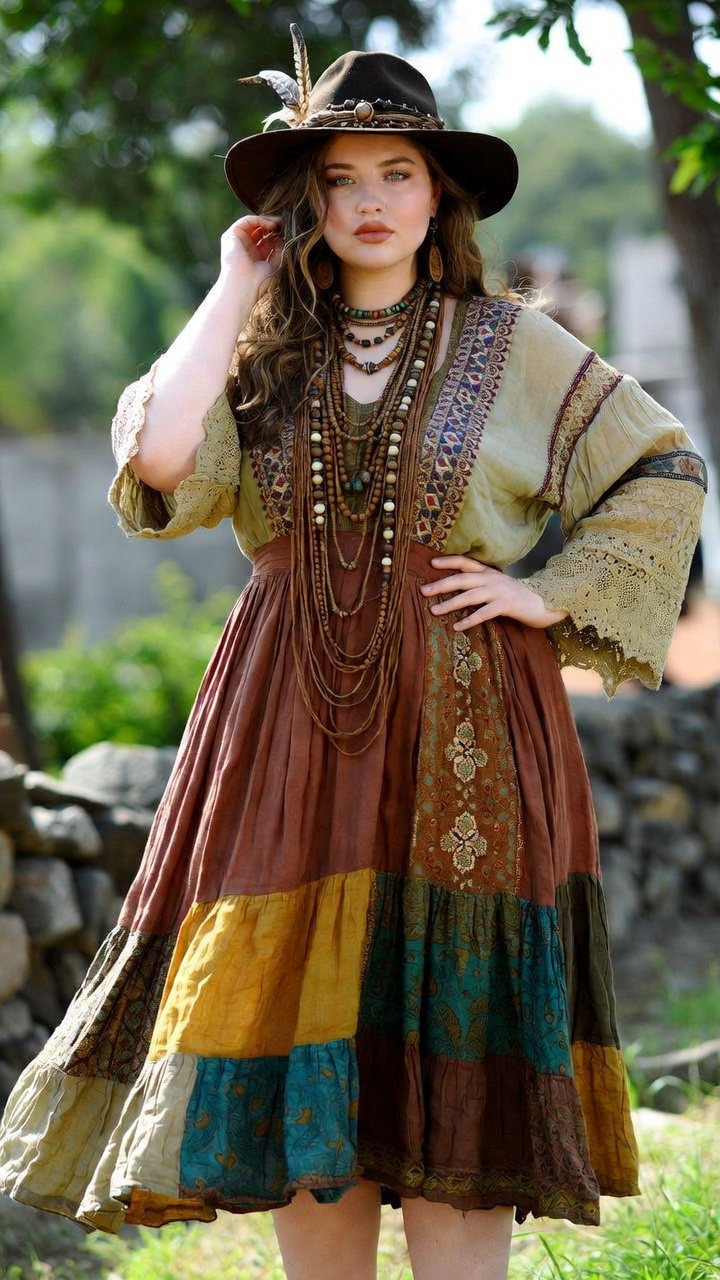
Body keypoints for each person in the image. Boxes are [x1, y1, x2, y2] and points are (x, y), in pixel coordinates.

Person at [0, 28, 706, 1280]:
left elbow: (664, 467)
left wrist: (546, 594)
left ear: (443, 196)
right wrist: (235, 282)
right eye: (340, 178)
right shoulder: (259, 346)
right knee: (306, 1103)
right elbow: (159, 460)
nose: (371, 201)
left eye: (398, 173)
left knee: (456, 1088)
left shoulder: (519, 344)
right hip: (283, 728)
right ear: (304, 200)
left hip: (475, 726)